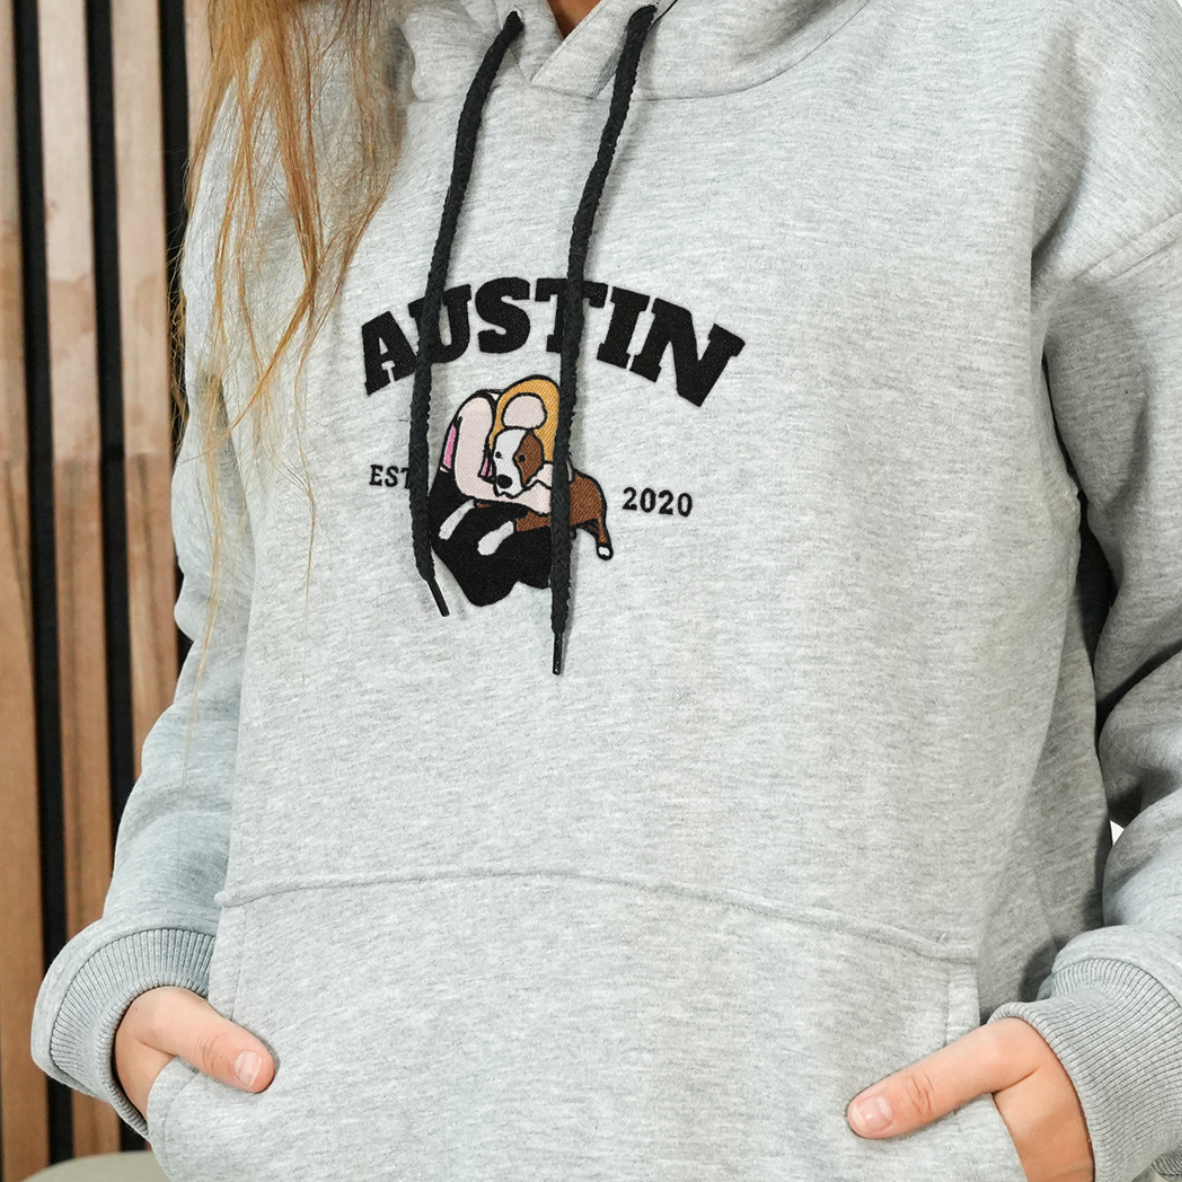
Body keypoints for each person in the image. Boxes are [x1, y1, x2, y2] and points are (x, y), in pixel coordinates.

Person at [30, 0, 1182, 1178]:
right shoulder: (308, 81)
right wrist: (154, 949)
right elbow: (249, 651)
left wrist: (1140, 1038)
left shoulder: (1055, 47)